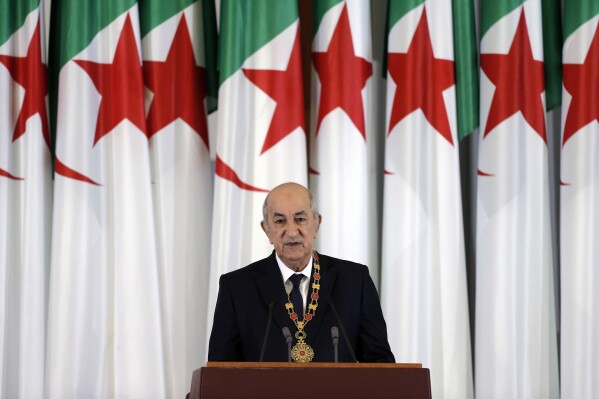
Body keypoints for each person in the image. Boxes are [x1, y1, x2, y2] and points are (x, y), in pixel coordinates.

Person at [208, 182, 395, 363]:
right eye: (280, 221)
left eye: (300, 219)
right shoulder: (237, 287)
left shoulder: (354, 280)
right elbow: (220, 371)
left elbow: (380, 363)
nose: (291, 232)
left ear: (316, 225)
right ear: (267, 230)